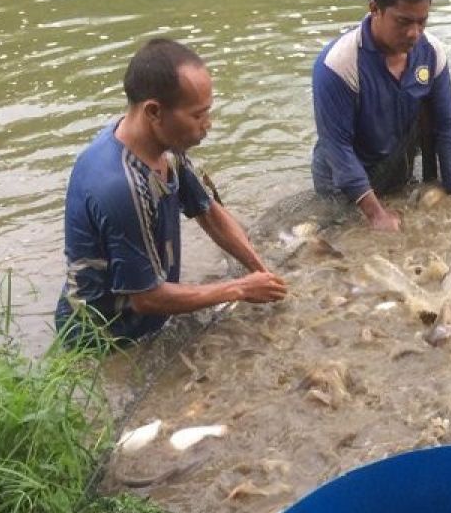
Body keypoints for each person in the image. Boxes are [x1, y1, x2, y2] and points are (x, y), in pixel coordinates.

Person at [55, 38, 287, 344]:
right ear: (154, 111)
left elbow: (210, 215)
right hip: (104, 339)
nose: (208, 125)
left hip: (144, 316)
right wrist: (241, 289)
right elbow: (146, 298)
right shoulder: (122, 187)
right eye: (197, 115)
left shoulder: (163, 147)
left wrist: (261, 273)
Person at [311, 0, 451, 232]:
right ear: (375, 9)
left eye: (422, 22)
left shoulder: (432, 54)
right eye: (403, 21)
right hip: (341, 181)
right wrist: (376, 215)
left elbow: (447, 127)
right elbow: (338, 149)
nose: (414, 33)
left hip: (394, 165)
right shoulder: (338, 64)